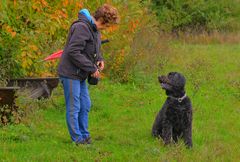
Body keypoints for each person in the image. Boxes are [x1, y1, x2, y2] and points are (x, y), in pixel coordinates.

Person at [57, 4, 119, 145]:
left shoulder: (94, 30)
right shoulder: (81, 27)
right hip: (70, 73)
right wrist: (91, 68)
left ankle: (85, 135)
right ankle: (77, 139)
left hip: (80, 73)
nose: (106, 28)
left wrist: (99, 59)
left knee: (85, 104)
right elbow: (73, 51)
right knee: (74, 106)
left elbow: (95, 47)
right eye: (107, 25)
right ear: (101, 19)